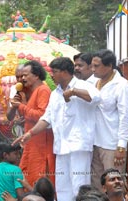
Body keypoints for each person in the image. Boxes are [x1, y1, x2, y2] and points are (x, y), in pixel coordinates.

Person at [13, 57, 101, 201]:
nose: (51, 75)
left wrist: (74, 92)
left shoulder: (83, 85)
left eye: (54, 71)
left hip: (78, 146)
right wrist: (30, 133)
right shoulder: (55, 94)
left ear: (65, 72)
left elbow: (96, 97)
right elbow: (46, 119)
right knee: (62, 188)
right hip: (61, 147)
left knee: (79, 185)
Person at [90, 49, 128, 191]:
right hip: (95, 142)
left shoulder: (122, 85)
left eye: (96, 66)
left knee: (113, 185)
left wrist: (121, 146)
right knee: (97, 184)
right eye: (92, 65)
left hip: (112, 144)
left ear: (109, 66)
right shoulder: (95, 82)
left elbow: (126, 117)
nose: (93, 69)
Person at [10, 60, 55, 187]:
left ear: (36, 75)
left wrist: (21, 107)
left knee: (38, 180)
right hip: (32, 142)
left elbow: (43, 116)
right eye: (21, 76)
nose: (22, 78)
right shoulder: (34, 91)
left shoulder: (43, 90)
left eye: (25, 75)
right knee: (29, 177)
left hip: (41, 145)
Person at [6, 64, 26, 138]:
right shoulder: (14, 89)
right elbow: (9, 117)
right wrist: (14, 105)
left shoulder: (35, 89)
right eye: (17, 77)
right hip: (19, 129)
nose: (20, 80)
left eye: (22, 76)